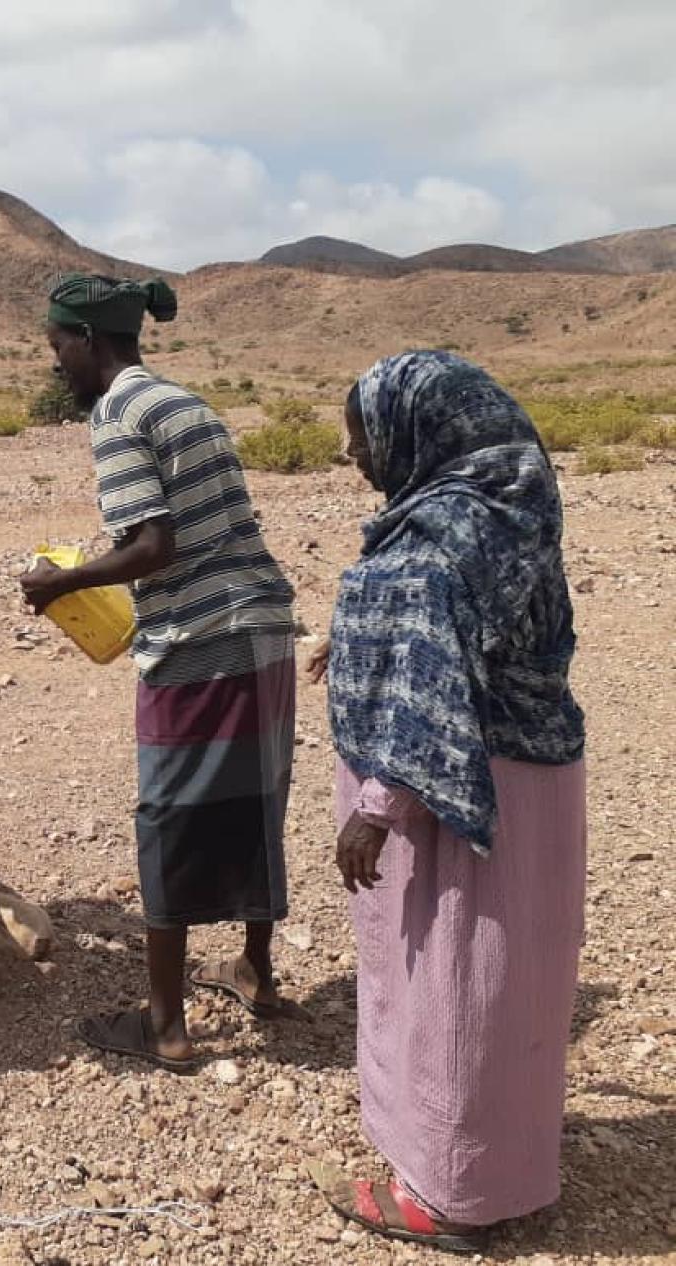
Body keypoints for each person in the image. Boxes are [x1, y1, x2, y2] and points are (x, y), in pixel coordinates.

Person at [308, 351, 587, 1251]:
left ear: (416, 430)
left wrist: (378, 807)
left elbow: (439, 682)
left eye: (363, 435)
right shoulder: (501, 506)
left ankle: (451, 1198)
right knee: (508, 988)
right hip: (526, 778)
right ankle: (500, 1165)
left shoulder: (443, 538)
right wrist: (348, 643)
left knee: (455, 983)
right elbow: (468, 637)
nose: (353, 453)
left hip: (463, 795)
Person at [19, 273, 297, 1071]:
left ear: (90, 342)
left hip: (200, 639)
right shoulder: (184, 403)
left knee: (168, 815)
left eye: (58, 348)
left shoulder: (116, 414)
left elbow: (153, 547)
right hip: (266, 628)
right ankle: (255, 970)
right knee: (256, 798)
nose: (57, 365)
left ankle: (165, 1025)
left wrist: (62, 582)